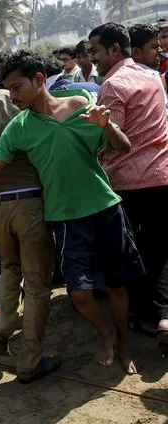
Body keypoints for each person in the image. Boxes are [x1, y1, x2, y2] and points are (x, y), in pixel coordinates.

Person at [0, 50, 142, 376]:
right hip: (64, 217)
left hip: (104, 207)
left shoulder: (78, 104)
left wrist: (107, 126)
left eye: (17, 88)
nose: (12, 96)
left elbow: (122, 146)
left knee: (117, 286)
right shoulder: (19, 127)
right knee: (79, 294)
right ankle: (104, 335)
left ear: (39, 80)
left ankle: (122, 343)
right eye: (9, 89)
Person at [90, 22, 168, 353]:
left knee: (134, 251)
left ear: (114, 50)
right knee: (161, 249)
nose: (92, 58)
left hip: (129, 182)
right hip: (162, 175)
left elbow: (116, 141)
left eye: (95, 50)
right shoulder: (152, 77)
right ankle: (162, 315)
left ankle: (146, 316)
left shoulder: (113, 86)